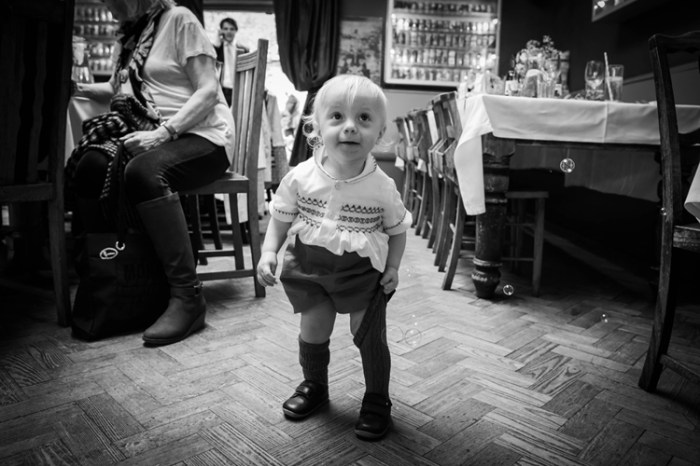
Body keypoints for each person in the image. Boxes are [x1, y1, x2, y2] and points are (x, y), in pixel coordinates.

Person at [65, 0, 234, 346]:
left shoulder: (179, 20)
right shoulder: (131, 36)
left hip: (203, 137)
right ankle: (107, 282)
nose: (107, 5)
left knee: (143, 171)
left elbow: (208, 90)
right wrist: (77, 89)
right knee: (91, 165)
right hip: (155, 132)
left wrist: (163, 134)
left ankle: (187, 296)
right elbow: (116, 89)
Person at [256, 75, 412, 440]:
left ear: (380, 133)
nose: (350, 127)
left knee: (368, 334)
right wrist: (268, 251)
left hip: (362, 272)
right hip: (310, 267)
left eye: (364, 118)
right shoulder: (301, 176)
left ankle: (377, 398)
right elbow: (280, 216)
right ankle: (315, 385)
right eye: (338, 117)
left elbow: (398, 229)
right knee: (313, 328)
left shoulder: (382, 187)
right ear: (316, 127)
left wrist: (393, 267)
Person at [214, 17, 249, 106]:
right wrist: (217, 41)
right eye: (225, 29)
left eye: (232, 29)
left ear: (236, 30)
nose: (228, 32)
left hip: (239, 90)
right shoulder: (217, 48)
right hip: (221, 90)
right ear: (221, 30)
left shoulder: (243, 49)